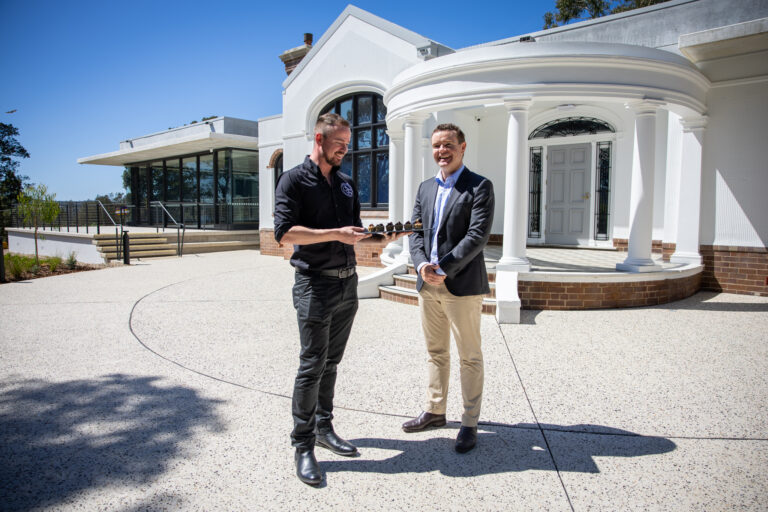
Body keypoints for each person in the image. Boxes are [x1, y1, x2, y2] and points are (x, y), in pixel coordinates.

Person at [273, 113, 370, 486]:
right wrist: (335, 233)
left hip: (347, 285)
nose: (345, 149)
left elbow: (353, 231)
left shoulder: (346, 184)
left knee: (331, 363)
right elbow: (284, 233)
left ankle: (324, 428)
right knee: (312, 365)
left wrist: (382, 236)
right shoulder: (293, 180)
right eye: (339, 143)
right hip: (314, 285)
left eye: (347, 144)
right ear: (319, 139)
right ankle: (302, 445)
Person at [403, 123, 495, 453]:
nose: (441, 151)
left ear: (462, 147)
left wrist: (443, 268)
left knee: (469, 356)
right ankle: (435, 410)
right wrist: (421, 265)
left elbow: (477, 236)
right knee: (435, 352)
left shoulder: (479, 186)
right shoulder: (425, 187)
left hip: (461, 285)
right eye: (436, 145)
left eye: (448, 145)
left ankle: (469, 422)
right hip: (428, 285)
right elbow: (415, 231)